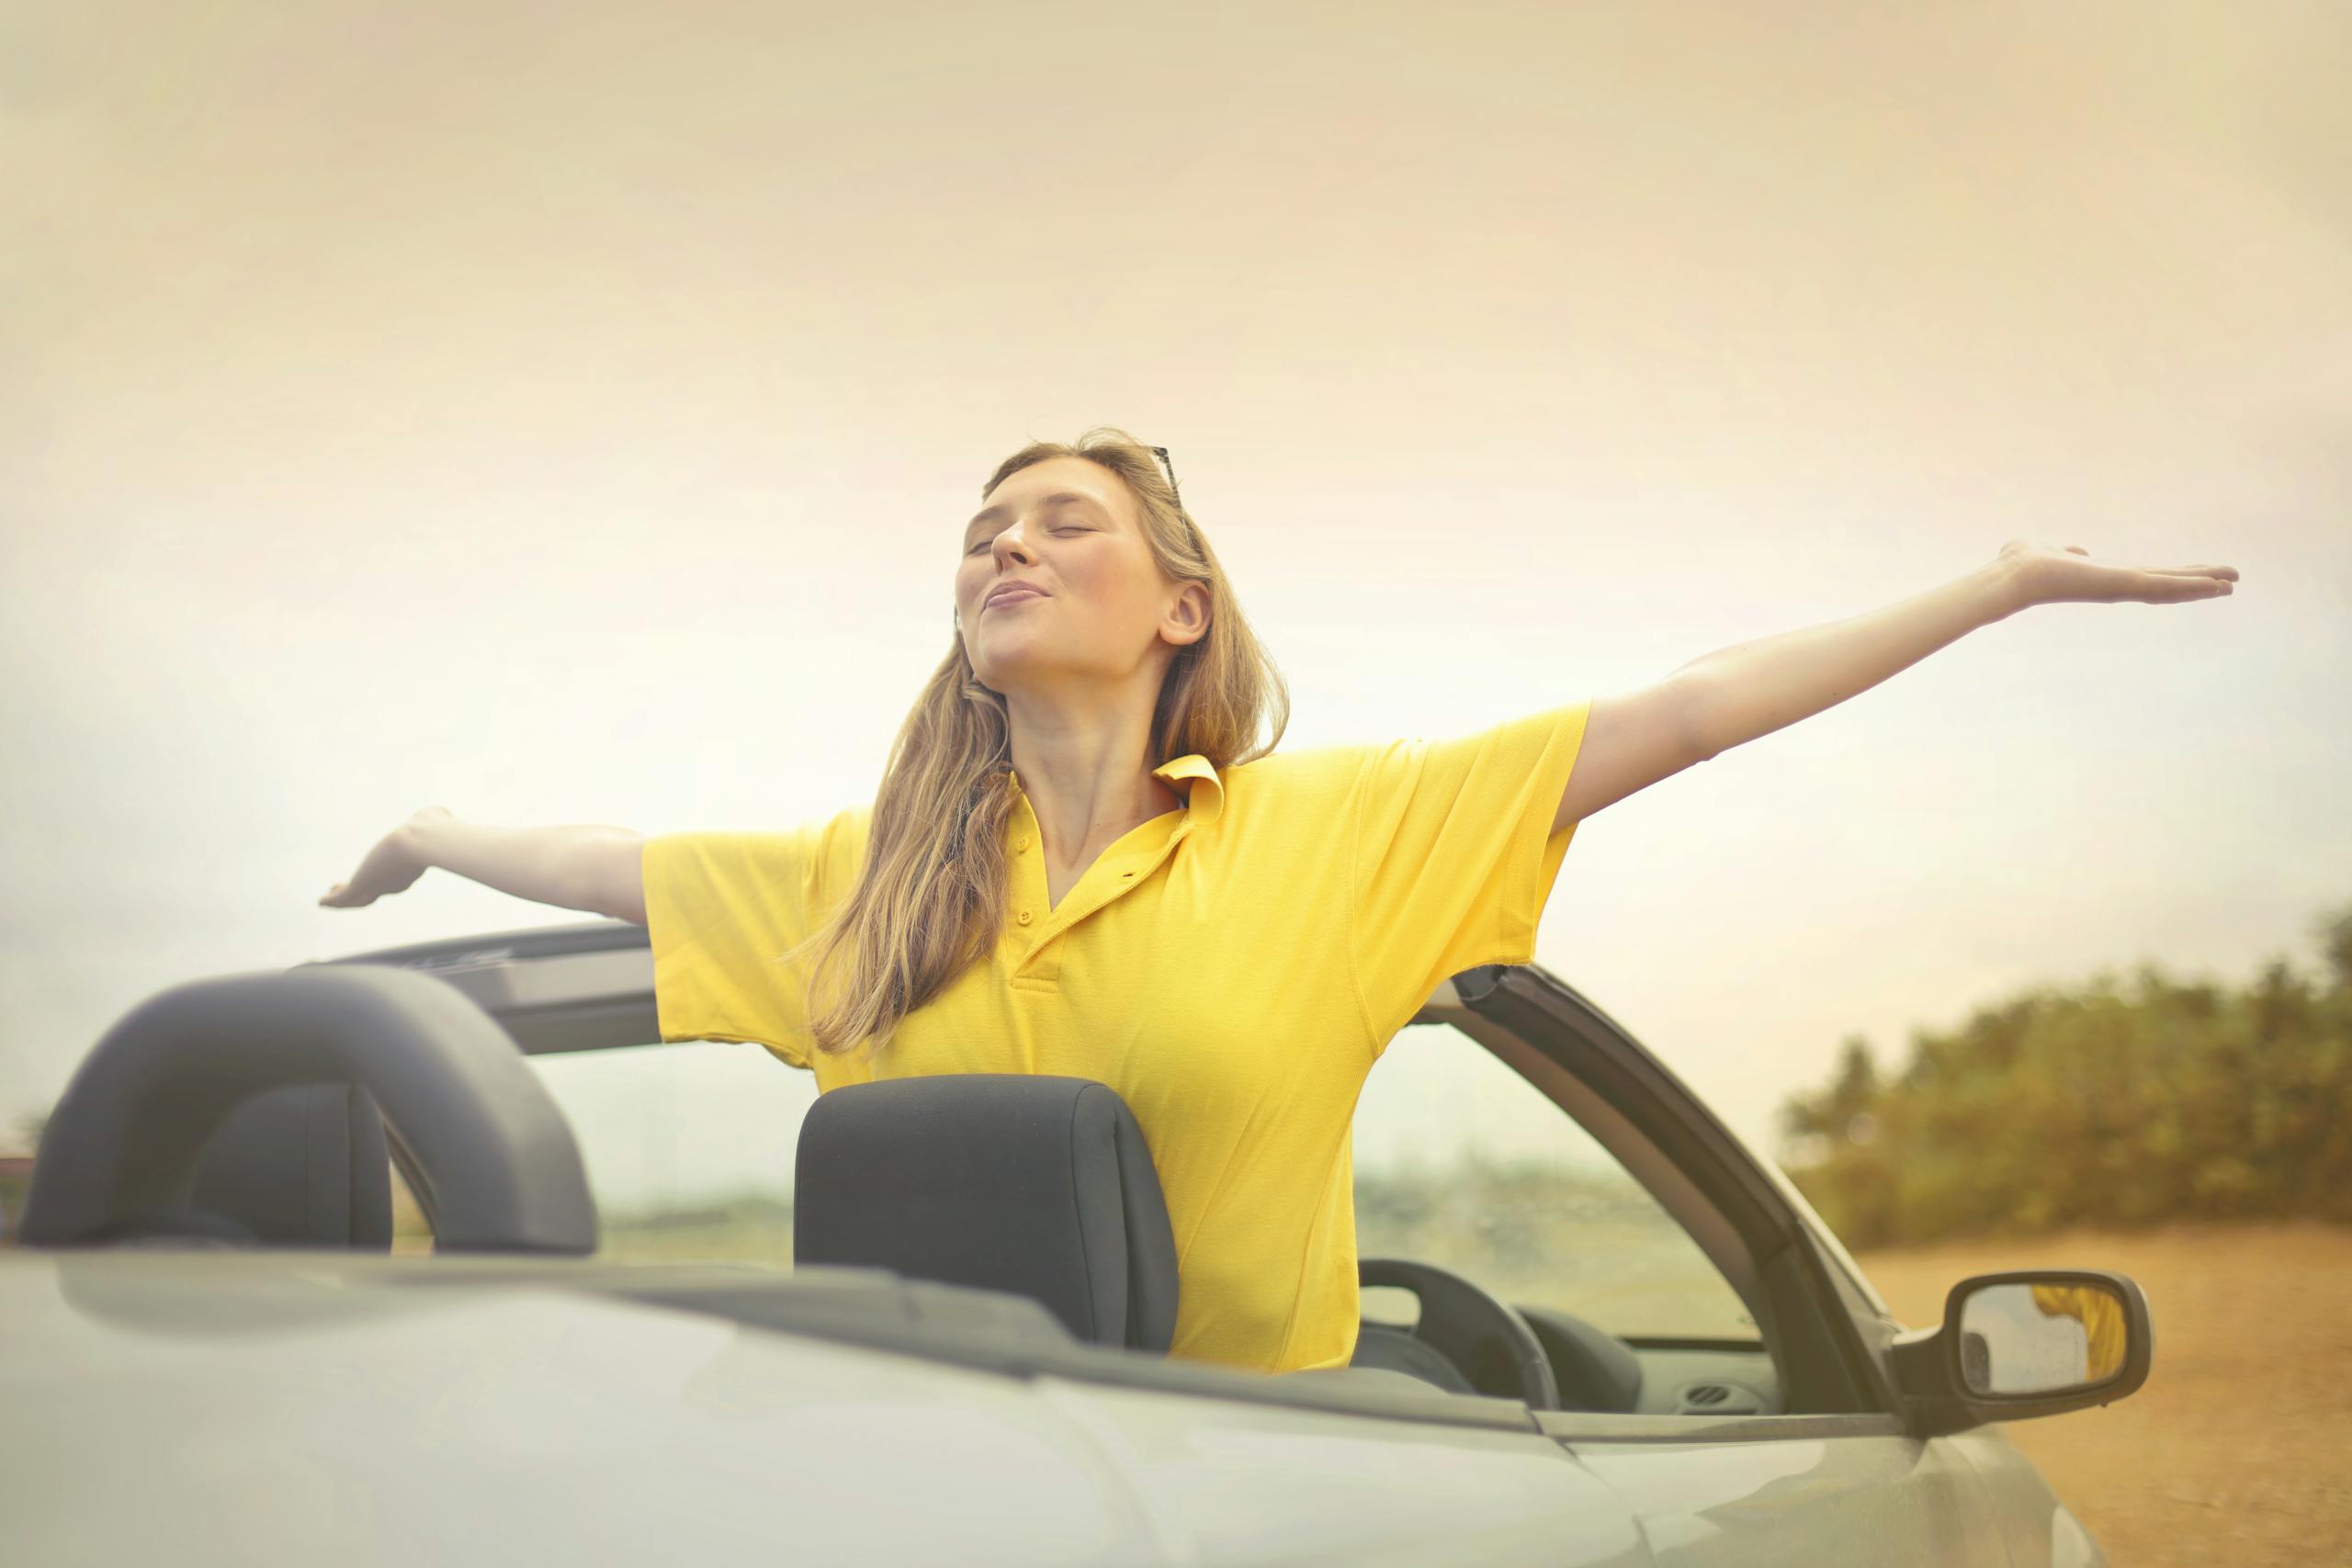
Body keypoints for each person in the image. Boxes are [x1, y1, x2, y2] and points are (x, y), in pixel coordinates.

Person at [321, 424, 2237, 1377]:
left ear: (1181, 608)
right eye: (982, 527)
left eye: (1060, 515)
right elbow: (610, 874)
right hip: (925, 1488)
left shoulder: (1331, 834)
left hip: (1276, 1492)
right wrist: (436, 819)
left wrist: (1983, 586)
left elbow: (1683, 709)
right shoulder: (859, 882)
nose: (1004, 537)